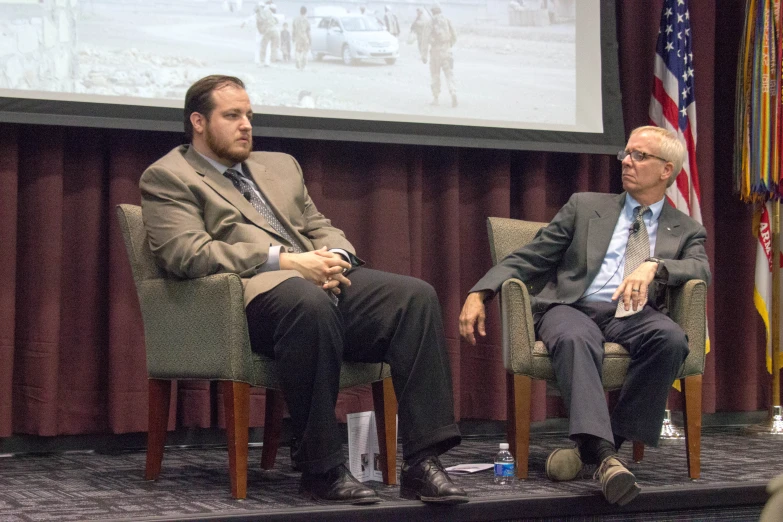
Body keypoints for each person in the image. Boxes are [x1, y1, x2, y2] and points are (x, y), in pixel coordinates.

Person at [140, 75, 468, 506]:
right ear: (198, 122)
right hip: (248, 301)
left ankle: (423, 463)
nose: (246, 125)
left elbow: (319, 225)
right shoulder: (169, 176)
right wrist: (287, 261)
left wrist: (337, 257)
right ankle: (321, 468)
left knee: (415, 297)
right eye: (232, 115)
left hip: (318, 281)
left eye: (249, 116)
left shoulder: (280, 166)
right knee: (307, 303)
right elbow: (187, 253)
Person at [459, 126, 711, 506]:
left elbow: (700, 270)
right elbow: (532, 256)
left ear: (666, 170)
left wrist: (655, 266)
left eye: (639, 156)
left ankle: (597, 450)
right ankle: (606, 458)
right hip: (570, 306)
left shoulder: (686, 229)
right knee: (577, 338)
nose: (626, 161)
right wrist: (481, 290)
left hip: (632, 313)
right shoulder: (585, 206)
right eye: (626, 154)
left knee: (672, 339)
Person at [428, 5, 457, 107]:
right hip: (447, 51)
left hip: (435, 53)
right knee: (449, 74)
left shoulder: (431, 22)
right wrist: (449, 45)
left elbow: (425, 38)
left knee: (435, 75)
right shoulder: (447, 20)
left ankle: (436, 99)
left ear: (433, 12)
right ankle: (453, 91)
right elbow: (454, 36)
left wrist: (423, 54)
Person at [292, 5, 311, 70]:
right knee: (305, 51)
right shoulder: (306, 20)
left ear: (300, 11)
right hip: (304, 37)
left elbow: (293, 30)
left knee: (298, 51)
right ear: (305, 12)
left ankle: (298, 60)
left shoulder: (295, 19)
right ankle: (303, 65)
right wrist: (310, 39)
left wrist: (293, 38)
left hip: (298, 37)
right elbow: (308, 31)